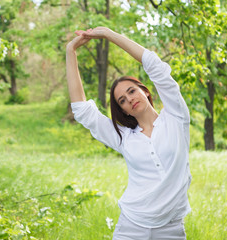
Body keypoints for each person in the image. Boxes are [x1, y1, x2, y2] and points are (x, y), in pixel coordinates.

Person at [66, 27, 191, 240]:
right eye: (122, 100)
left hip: (171, 228)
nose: (129, 99)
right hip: (132, 226)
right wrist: (71, 51)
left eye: (132, 91)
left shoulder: (176, 118)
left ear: (145, 91)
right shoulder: (124, 137)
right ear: (123, 110)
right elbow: (82, 111)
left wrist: (108, 34)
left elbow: (155, 65)